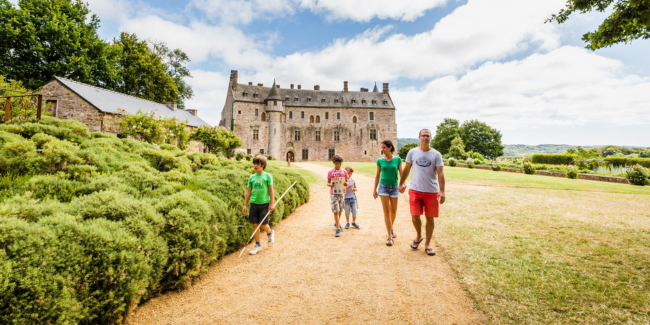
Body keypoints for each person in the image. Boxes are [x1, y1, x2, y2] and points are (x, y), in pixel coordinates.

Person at [399, 129, 445, 256]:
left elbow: (440, 173)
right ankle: (419, 236)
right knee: (415, 216)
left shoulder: (436, 154)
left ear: (431, 138)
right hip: (415, 190)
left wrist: (442, 190)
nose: (425, 138)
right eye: (423, 136)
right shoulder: (412, 152)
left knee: (430, 218)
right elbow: (407, 169)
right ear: (419, 137)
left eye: (427, 136)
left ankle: (428, 244)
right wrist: (401, 183)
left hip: (431, 191)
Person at [242, 155, 275, 255]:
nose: (255, 165)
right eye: (254, 163)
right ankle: (257, 245)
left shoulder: (267, 176)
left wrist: (272, 203)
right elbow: (248, 191)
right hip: (254, 204)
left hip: (264, 204)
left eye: (258, 164)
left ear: (263, 165)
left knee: (263, 224)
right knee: (255, 225)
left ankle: (270, 233)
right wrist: (245, 205)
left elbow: (270, 190)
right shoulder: (252, 177)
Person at [373, 140, 402, 246]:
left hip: (394, 187)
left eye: (384, 147)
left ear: (390, 147)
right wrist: (374, 189)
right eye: (382, 147)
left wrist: (402, 184)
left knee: (393, 212)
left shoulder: (398, 160)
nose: (382, 149)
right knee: (386, 212)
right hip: (383, 187)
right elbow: (377, 175)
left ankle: (391, 227)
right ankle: (390, 237)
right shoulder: (380, 161)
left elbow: (402, 174)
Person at [327, 155, 349, 237]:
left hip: (341, 193)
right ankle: (338, 228)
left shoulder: (344, 171)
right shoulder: (330, 172)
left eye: (340, 164)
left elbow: (346, 182)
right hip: (334, 193)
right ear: (334, 163)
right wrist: (330, 185)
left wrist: (346, 184)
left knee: (340, 210)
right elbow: (328, 183)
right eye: (336, 164)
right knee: (336, 210)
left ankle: (337, 223)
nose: (338, 165)